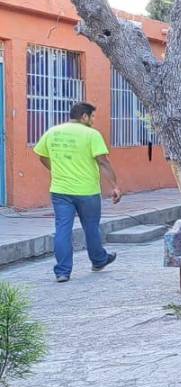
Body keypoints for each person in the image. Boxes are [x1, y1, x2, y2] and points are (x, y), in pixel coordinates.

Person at [33, 102, 122, 282]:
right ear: (84, 116)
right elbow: (103, 162)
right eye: (93, 117)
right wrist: (114, 186)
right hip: (87, 191)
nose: (93, 120)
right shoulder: (92, 134)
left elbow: (42, 155)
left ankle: (62, 271)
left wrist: (55, 170)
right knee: (91, 227)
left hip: (60, 191)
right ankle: (98, 260)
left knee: (62, 229)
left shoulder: (52, 132)